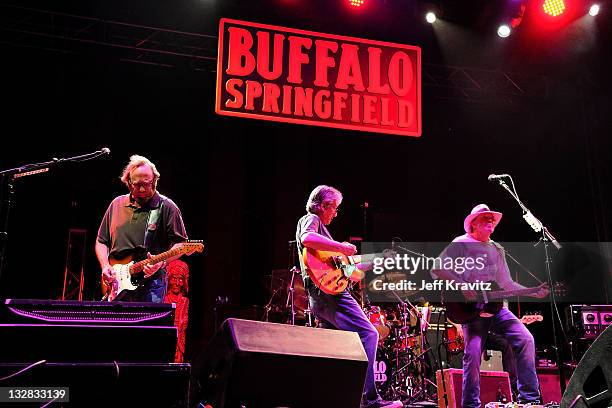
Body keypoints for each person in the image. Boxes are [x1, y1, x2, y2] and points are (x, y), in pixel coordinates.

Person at [296, 185, 403, 408]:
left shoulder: (325, 244)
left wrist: (377, 259)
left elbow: (350, 271)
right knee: (369, 334)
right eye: (334, 208)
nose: (335, 213)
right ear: (323, 206)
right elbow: (307, 238)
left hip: (320, 298)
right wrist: (342, 247)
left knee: (336, 349)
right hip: (330, 295)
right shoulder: (311, 220)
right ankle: (370, 399)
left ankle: (330, 397)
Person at [432, 204, 548, 407]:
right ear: (473, 223)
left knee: (526, 339)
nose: (490, 221)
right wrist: (461, 285)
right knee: (473, 353)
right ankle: (470, 404)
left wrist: (532, 291)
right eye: (485, 218)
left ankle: (530, 399)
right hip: (471, 312)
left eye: (492, 219)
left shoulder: (497, 249)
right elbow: (438, 269)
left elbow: (507, 284)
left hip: (497, 309)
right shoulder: (461, 243)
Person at [96, 154, 191, 302]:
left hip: (151, 284)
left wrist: (162, 262)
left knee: (147, 325)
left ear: (154, 181)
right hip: (117, 282)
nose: (141, 189)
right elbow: (101, 241)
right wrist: (105, 266)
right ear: (128, 182)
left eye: (146, 184)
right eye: (136, 184)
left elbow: (181, 244)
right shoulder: (116, 204)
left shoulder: (166, 207)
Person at [164, 259, 190, 363]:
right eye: (174, 278)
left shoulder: (184, 301)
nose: (177, 283)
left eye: (180, 279)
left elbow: (183, 323)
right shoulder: (164, 299)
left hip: (179, 342)